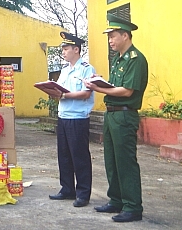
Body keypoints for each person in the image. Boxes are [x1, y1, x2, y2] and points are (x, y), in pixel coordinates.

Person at [84, 14, 148, 223]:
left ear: (125, 36)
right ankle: (116, 200)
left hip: (124, 114)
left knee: (125, 161)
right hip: (112, 115)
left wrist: (97, 87)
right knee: (111, 160)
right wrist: (100, 82)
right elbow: (114, 86)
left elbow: (127, 91)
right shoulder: (118, 60)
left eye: (113, 36)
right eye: (109, 37)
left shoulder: (135, 59)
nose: (110, 40)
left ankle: (132, 206)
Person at [43, 32, 95, 208]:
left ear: (76, 49)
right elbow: (60, 91)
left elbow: (86, 93)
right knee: (64, 155)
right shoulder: (64, 70)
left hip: (78, 118)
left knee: (79, 156)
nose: (63, 52)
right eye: (63, 49)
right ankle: (67, 189)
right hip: (63, 116)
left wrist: (64, 94)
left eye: (66, 49)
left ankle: (83, 193)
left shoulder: (87, 69)